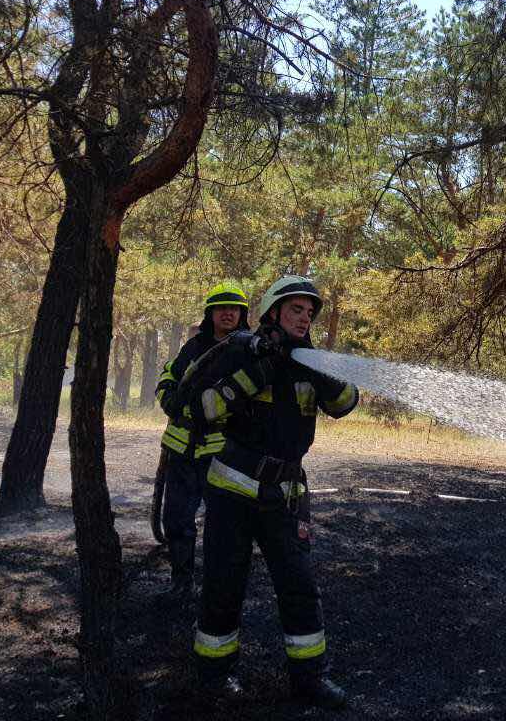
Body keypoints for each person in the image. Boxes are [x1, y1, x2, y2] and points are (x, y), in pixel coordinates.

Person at [181, 275, 359, 711]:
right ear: (274, 312)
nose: (305, 318)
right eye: (296, 310)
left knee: (298, 587)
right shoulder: (237, 349)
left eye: (310, 312)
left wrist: (326, 375)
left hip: (285, 494)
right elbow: (196, 407)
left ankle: (310, 679)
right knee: (224, 586)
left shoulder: (309, 359)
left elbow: (346, 403)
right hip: (231, 490)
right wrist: (252, 375)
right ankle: (214, 677)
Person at [156, 282, 250, 599]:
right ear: (210, 313)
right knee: (177, 520)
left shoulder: (246, 350)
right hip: (182, 451)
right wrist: (169, 396)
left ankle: (217, 589)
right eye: (222, 308)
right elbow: (170, 374)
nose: (228, 313)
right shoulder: (193, 348)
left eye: (234, 308)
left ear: (242, 314)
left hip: (221, 454)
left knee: (222, 527)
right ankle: (181, 583)